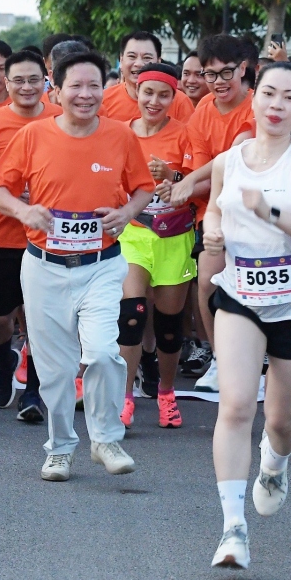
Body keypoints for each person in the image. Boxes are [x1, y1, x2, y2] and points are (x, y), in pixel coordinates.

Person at [0, 50, 154, 482]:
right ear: (55, 90)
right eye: (75, 86)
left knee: (101, 352)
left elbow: (142, 188)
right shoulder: (33, 136)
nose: (85, 94)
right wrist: (24, 214)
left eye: (94, 85)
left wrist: (126, 213)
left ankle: (104, 439)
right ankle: (60, 448)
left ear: (107, 87)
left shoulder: (121, 135)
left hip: (101, 264)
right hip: (44, 267)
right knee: (56, 368)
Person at [205, 60, 291, 569]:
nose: (277, 105)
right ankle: (232, 530)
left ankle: (275, 464)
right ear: (253, 100)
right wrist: (214, 229)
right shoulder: (228, 161)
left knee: (281, 422)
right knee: (236, 406)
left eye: (289, 97)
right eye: (268, 94)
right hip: (239, 295)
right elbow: (215, 207)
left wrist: (272, 214)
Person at [171, 34, 255, 393]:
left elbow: (234, 161)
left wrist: (187, 182)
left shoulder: (257, 106)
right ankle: (220, 358)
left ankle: (257, 360)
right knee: (206, 281)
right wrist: (188, 185)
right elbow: (208, 174)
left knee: (250, 290)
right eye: (210, 74)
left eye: (226, 73)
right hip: (215, 211)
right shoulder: (202, 109)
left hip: (256, 211)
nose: (218, 82)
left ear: (244, 69)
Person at [0, 49, 60, 420]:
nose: (27, 87)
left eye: (34, 79)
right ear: (6, 83)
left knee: (39, 317)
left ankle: (33, 391)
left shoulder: (62, 119)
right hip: (1, 234)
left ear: (46, 81)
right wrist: (9, 192)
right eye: (19, 80)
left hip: (49, 238)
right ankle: (3, 357)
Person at [116, 62, 196, 429]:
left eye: (164, 94)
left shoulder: (185, 134)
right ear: (136, 89)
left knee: (168, 325)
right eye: (148, 92)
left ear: (174, 97)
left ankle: (165, 391)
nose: (154, 101)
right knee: (131, 314)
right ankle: (125, 396)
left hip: (175, 236)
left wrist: (174, 178)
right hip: (133, 234)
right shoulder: (119, 134)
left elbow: (200, 184)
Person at [101, 31, 194, 122]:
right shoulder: (103, 100)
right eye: (132, 56)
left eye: (147, 58)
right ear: (121, 61)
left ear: (158, 62)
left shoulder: (180, 102)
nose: (139, 64)